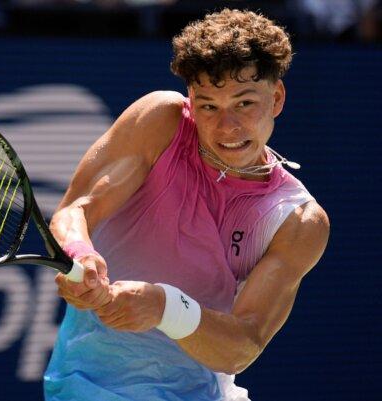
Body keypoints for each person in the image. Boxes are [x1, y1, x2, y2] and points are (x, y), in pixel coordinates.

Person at [44, 8, 330, 401]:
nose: (227, 128)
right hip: (88, 387)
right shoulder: (161, 120)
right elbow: (77, 208)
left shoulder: (296, 220)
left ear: (276, 97)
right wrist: (80, 255)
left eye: (244, 103)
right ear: (192, 99)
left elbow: (243, 345)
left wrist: (165, 307)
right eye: (209, 106)